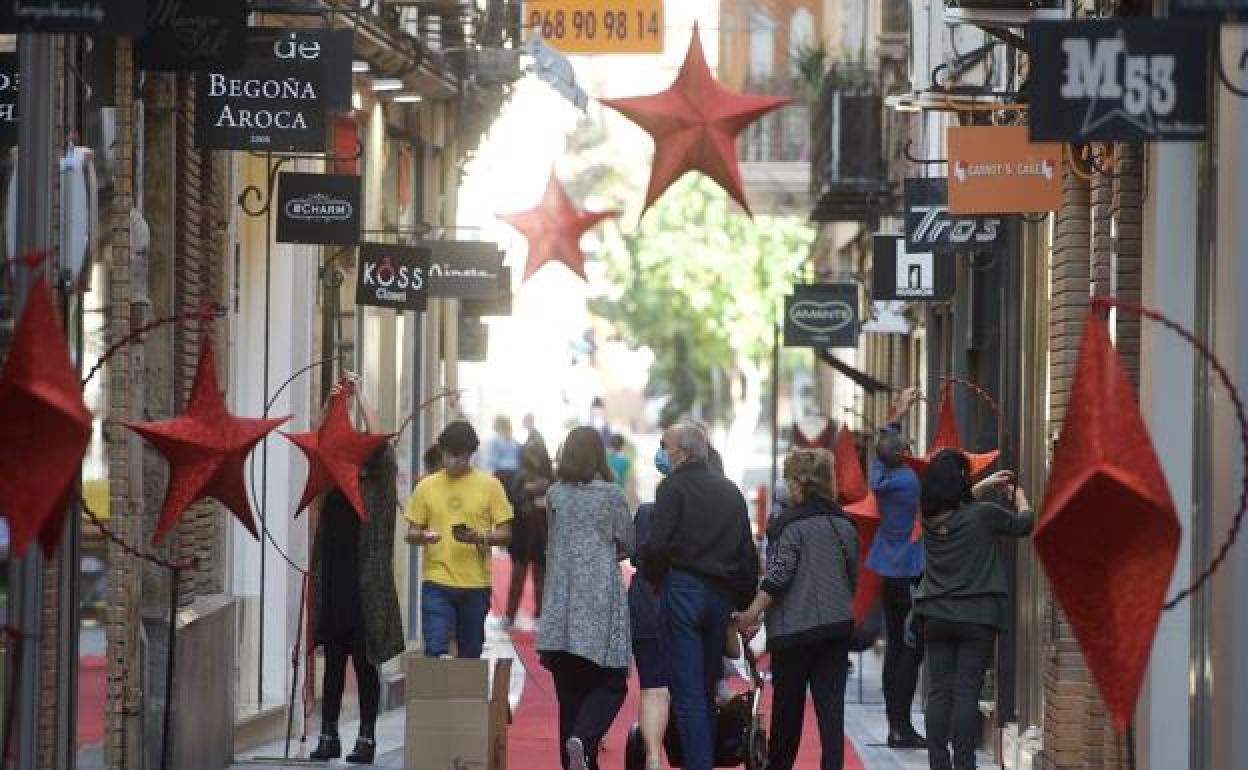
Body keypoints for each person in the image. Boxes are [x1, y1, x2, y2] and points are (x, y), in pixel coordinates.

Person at [642, 422, 759, 770]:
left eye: (666, 445)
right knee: (707, 687)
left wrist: (651, 577)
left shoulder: (672, 487)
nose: (662, 451)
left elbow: (658, 543)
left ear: (684, 451)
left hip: (684, 590)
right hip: (719, 597)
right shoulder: (729, 490)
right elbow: (746, 553)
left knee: (689, 691)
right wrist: (743, 604)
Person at [736, 448, 856, 770]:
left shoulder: (787, 525)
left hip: (793, 632)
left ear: (799, 485)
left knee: (788, 713)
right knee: (831, 712)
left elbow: (779, 574)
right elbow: (852, 572)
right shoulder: (843, 523)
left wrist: (751, 613)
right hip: (835, 627)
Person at [913, 450, 1032, 770]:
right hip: (976, 616)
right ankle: (964, 763)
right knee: (967, 691)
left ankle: (939, 762)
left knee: (940, 691)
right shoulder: (982, 515)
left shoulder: (928, 519)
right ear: (960, 483)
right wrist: (1021, 499)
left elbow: (955, 504)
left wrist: (981, 484)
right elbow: (1024, 525)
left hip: (936, 615)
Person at [308, 376, 404, 764]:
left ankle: (366, 737)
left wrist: (361, 395)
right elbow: (318, 443)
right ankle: (328, 735)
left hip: (367, 586)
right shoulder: (331, 480)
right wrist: (334, 405)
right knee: (332, 664)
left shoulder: (378, 481)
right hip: (334, 581)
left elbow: (379, 438)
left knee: (366, 663)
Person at [538, 427, 634, 770]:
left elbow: (554, 540)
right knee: (611, 681)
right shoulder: (612, 495)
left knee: (569, 692)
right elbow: (628, 544)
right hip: (598, 598)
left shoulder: (555, 495)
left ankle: (573, 753)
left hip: (560, 603)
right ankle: (584, 738)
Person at [405, 420, 513, 658]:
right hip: (437, 580)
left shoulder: (490, 486)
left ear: (471, 454)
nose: (453, 461)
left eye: (460, 456)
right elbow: (410, 533)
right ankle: (436, 695)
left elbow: (506, 533)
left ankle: (465, 695)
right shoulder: (426, 487)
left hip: (476, 584)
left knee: (471, 652)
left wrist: (479, 537)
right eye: (448, 455)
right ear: (441, 452)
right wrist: (424, 535)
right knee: (435, 647)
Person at [869, 386, 927, 749]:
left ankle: (896, 724)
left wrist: (898, 413)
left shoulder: (882, 476)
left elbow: (882, 448)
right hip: (911, 573)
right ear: (905, 454)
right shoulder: (911, 480)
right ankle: (902, 727)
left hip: (889, 573)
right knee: (910, 650)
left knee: (894, 649)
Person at [505, 438, 554, 626]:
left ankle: (540, 615)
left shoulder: (550, 476)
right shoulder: (519, 474)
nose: (531, 455)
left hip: (542, 533)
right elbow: (513, 499)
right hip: (522, 533)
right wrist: (530, 492)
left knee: (541, 578)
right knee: (517, 576)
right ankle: (510, 615)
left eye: (535, 452)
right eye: (529, 451)